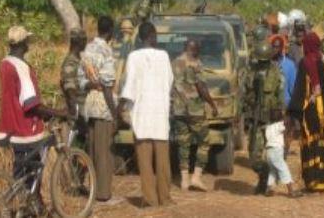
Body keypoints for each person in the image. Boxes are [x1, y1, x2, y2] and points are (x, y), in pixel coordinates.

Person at [0, 26, 68, 214]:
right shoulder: (22, 67)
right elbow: (31, 104)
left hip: (9, 126)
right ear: (23, 43)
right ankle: (26, 206)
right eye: (27, 41)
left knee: (23, 172)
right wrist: (58, 112)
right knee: (34, 170)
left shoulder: (5, 63)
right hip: (26, 128)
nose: (29, 44)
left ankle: (32, 206)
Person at [120, 22, 174, 207]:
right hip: (160, 114)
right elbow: (169, 81)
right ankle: (165, 198)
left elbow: (129, 87)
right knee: (163, 162)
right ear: (152, 35)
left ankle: (150, 199)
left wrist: (120, 107)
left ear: (140, 37)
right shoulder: (164, 56)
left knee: (144, 162)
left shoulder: (133, 57)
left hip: (142, 115)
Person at [288, 32, 324, 193]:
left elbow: (300, 89)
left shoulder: (305, 63)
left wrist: (293, 111)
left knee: (311, 143)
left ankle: (312, 181)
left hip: (311, 111)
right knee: (322, 144)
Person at [78, 16, 120, 204]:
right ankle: (103, 194)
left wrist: (92, 84)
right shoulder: (106, 51)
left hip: (90, 104)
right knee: (104, 152)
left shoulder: (87, 48)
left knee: (94, 150)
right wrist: (115, 113)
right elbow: (108, 87)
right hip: (103, 106)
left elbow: (82, 81)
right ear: (110, 30)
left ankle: (93, 191)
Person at [172, 39, 219, 192]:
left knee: (183, 144)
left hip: (178, 110)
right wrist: (212, 104)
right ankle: (196, 177)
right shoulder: (195, 63)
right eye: (198, 49)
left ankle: (184, 179)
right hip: (195, 110)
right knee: (204, 142)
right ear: (194, 49)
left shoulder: (174, 62)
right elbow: (201, 87)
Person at [246, 41, 285, 195]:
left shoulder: (276, 73)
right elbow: (245, 93)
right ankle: (264, 175)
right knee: (254, 157)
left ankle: (269, 184)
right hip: (256, 117)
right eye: (260, 60)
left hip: (271, 119)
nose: (262, 63)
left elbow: (280, 95)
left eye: (264, 60)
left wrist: (280, 114)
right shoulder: (251, 72)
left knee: (273, 154)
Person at [60, 27, 88, 148]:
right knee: (76, 151)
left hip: (82, 110)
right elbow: (70, 89)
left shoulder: (78, 60)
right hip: (77, 114)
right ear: (80, 42)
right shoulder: (71, 62)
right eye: (84, 40)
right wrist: (78, 117)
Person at [264, 109, 302, 198]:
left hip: (268, 152)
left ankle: (268, 189)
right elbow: (286, 126)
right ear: (280, 118)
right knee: (284, 169)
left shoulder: (268, 127)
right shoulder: (279, 125)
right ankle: (291, 191)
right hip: (276, 152)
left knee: (273, 171)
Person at [271, 37, 296, 108]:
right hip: (270, 106)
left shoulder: (290, 65)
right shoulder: (268, 64)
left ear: (281, 48)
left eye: (277, 47)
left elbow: (293, 88)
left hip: (284, 105)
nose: (274, 49)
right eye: (273, 47)